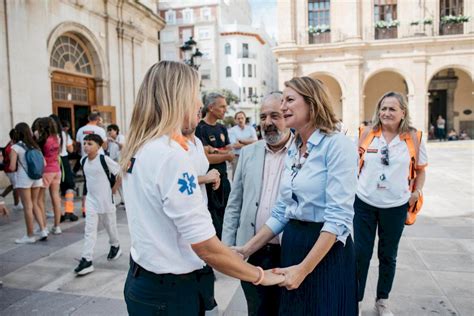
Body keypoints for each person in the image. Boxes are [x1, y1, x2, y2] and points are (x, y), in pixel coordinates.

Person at [120, 61, 284, 316]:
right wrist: (261, 276)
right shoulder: (170, 157)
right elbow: (205, 246)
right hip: (170, 292)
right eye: (196, 93)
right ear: (179, 97)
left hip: (143, 280)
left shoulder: (141, 146)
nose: (199, 103)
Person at [234, 77, 358, 315]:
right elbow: (282, 210)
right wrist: (246, 249)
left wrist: (303, 270)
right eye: (282, 101)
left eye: (289, 100)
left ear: (312, 103)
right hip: (293, 246)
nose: (282, 107)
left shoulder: (337, 145)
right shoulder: (295, 146)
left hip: (325, 252)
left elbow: (338, 218)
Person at [355, 91, 427, 316]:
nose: (386, 113)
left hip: (396, 206)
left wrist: (417, 191)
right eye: (383, 108)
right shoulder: (366, 133)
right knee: (360, 254)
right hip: (364, 203)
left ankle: (382, 301)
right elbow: (352, 164)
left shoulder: (414, 137)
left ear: (402, 112)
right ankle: (354, 300)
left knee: (388, 255)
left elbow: (421, 169)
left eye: (392, 109)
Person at [223, 92, 293, 316]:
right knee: (257, 310)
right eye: (263, 117)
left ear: (288, 116)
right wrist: (227, 246)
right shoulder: (247, 153)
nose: (268, 123)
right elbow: (234, 203)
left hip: (290, 251)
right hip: (253, 250)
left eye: (275, 116)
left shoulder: (303, 152)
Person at [182, 103, 221, 314]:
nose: (196, 115)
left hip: (202, 208)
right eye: (192, 111)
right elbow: (180, 181)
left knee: (204, 266)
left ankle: (207, 303)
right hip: (186, 213)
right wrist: (206, 177)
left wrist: (213, 175)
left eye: (198, 111)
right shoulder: (175, 146)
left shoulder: (197, 141)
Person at [74, 134, 121, 276]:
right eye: (85, 143)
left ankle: (115, 245)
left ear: (99, 146)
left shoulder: (104, 160)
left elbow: (120, 172)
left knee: (110, 227)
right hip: (91, 201)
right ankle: (87, 260)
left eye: (90, 144)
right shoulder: (83, 161)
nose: (86, 146)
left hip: (106, 200)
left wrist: (114, 188)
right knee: (89, 230)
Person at [195, 92, 234, 238]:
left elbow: (230, 152)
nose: (225, 110)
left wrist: (215, 151)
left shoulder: (222, 129)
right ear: (211, 107)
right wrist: (223, 154)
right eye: (222, 106)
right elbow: (207, 158)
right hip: (209, 183)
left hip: (223, 179)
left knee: (226, 216)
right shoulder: (200, 128)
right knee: (213, 220)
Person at [9, 122, 48, 243]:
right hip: (37, 177)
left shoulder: (15, 148)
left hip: (24, 178)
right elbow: (44, 164)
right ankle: (43, 230)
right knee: (35, 203)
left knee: (27, 206)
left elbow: (11, 167)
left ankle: (30, 235)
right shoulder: (35, 146)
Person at [76, 112, 107, 217]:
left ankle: (85, 209)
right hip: (98, 159)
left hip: (85, 160)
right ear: (98, 119)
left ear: (89, 118)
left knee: (87, 184)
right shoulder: (100, 130)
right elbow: (105, 146)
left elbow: (78, 145)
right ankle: (99, 208)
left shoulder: (80, 130)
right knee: (100, 184)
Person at [36, 117, 63, 234]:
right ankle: (57, 227)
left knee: (39, 200)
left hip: (46, 170)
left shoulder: (42, 139)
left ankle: (43, 226)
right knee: (56, 198)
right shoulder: (57, 137)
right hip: (57, 169)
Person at [51, 118, 78, 222]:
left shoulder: (48, 135)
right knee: (69, 186)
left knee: (55, 189)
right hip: (63, 160)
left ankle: (59, 214)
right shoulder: (64, 134)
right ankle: (69, 211)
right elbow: (70, 149)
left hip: (52, 162)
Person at [228, 111, 258, 176]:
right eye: (238, 119)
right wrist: (250, 142)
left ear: (245, 118)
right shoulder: (231, 131)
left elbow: (256, 142)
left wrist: (241, 141)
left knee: (250, 176)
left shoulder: (251, 129)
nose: (240, 120)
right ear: (235, 120)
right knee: (236, 177)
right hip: (237, 157)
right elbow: (235, 145)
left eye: (242, 118)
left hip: (250, 157)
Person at [1, 129, 23, 211]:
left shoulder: (11, 143)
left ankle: (2, 195)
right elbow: (12, 161)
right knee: (16, 187)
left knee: (15, 185)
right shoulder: (11, 147)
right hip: (11, 170)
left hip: (10, 169)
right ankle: (17, 204)